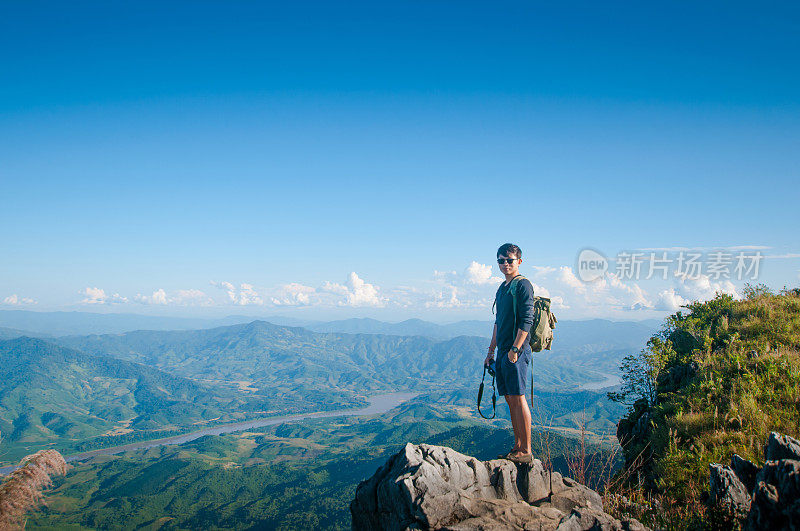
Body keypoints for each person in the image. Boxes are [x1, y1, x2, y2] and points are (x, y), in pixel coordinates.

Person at [484, 243, 535, 463]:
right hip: (504, 351)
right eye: (501, 260)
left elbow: (527, 321)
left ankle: (526, 449)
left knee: (518, 397)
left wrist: (515, 349)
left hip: (516, 351)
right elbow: (498, 322)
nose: (505, 264)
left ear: (519, 262)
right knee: (510, 398)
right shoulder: (502, 288)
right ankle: (517, 446)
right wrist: (491, 351)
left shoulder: (523, 285)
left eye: (509, 260)